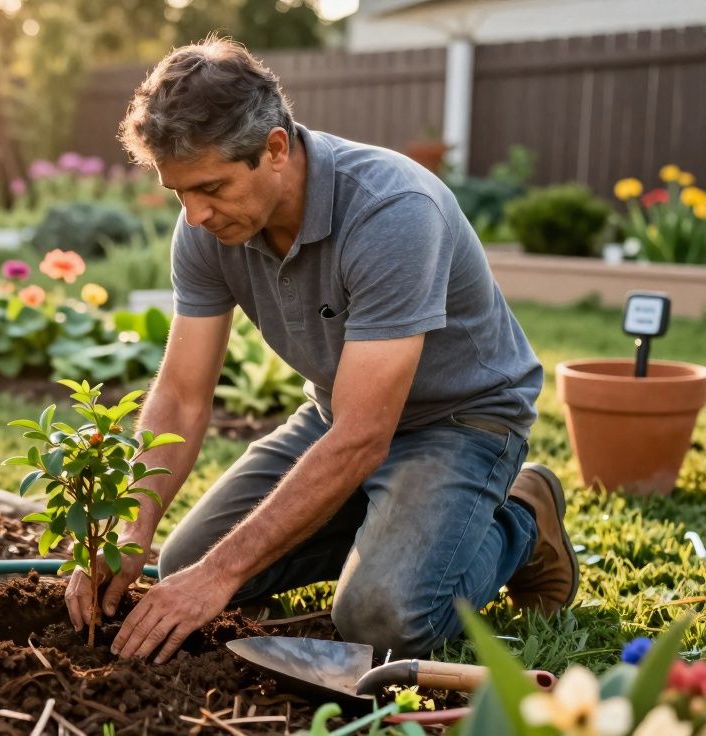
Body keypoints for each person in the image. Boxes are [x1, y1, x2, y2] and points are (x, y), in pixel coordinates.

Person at [63, 37, 578, 664]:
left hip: (458, 420)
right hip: (339, 414)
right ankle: (384, 525)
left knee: (379, 618)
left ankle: (520, 518)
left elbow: (365, 435)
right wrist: (132, 528)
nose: (194, 215)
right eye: (179, 193)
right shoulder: (206, 224)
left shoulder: (392, 211)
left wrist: (220, 576)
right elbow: (180, 395)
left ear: (275, 148)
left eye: (211, 188)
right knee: (183, 560)